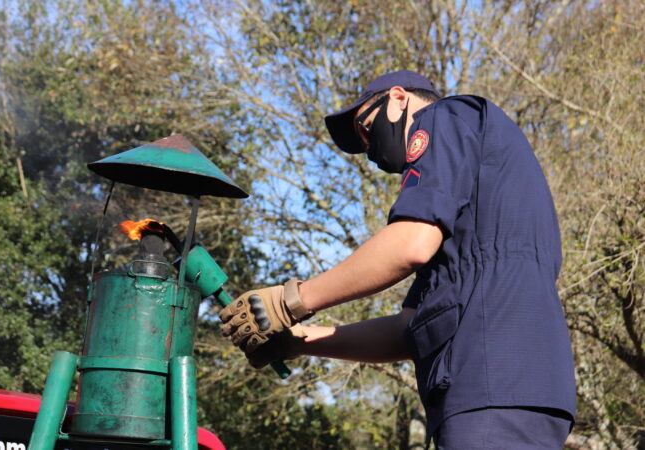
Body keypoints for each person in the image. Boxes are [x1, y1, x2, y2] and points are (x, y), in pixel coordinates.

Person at [219, 70, 576, 448]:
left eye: (368, 128)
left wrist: (290, 301)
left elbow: (410, 243)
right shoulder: (470, 225)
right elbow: (409, 331)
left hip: (490, 380)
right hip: (512, 386)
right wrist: (301, 340)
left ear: (399, 97)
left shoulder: (446, 117)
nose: (371, 151)